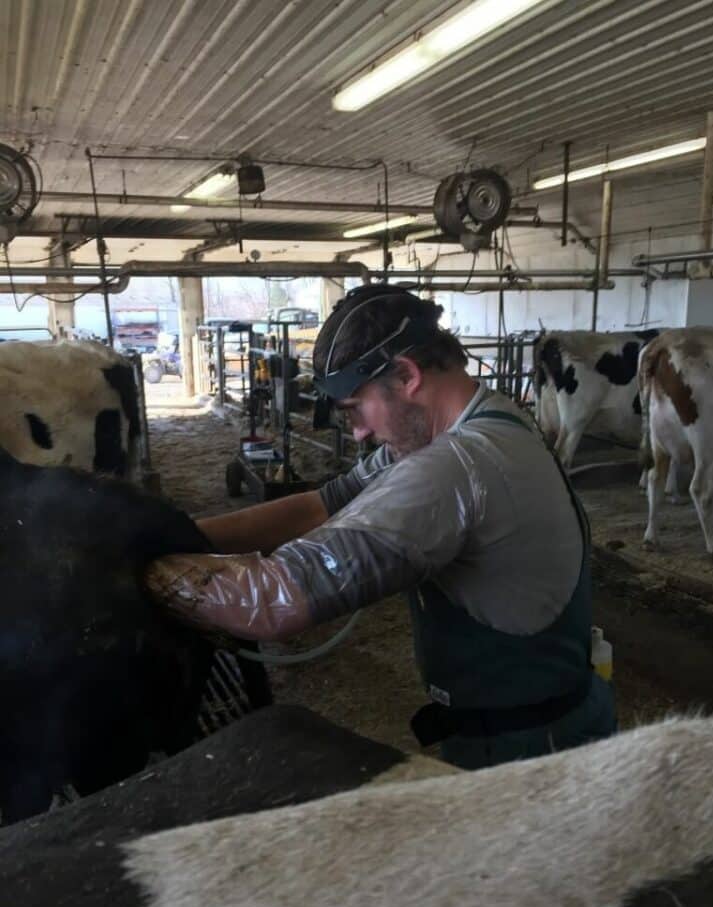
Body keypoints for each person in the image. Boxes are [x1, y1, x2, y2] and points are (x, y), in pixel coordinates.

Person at [146, 283, 616, 769]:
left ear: (408, 376)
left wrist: (139, 565)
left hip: (530, 754)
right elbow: (320, 505)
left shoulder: (454, 467)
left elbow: (270, 601)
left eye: (357, 409)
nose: (359, 433)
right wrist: (171, 532)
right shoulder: (484, 419)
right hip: (541, 721)